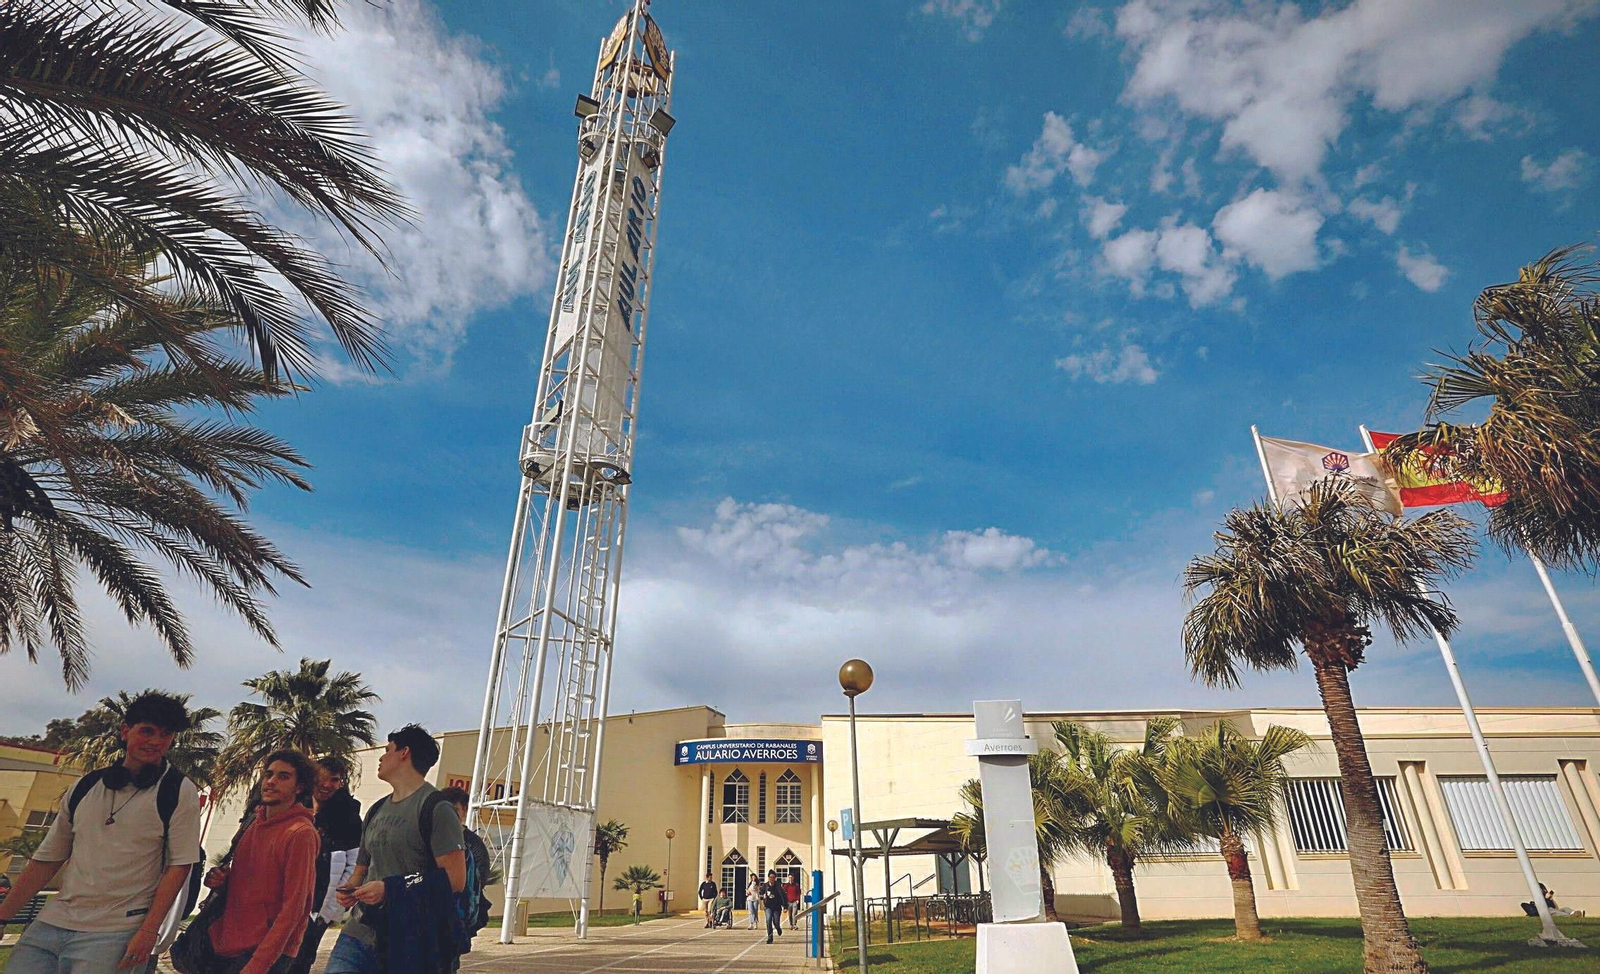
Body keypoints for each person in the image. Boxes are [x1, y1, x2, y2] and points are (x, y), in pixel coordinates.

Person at [0, 691, 201, 973]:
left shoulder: (178, 791)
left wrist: (149, 931)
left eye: (165, 735)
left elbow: (179, 866)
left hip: (117, 932)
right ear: (125, 731)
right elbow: (48, 858)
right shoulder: (85, 787)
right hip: (52, 922)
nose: (156, 741)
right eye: (147, 731)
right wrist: (3, 916)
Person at [326, 725, 467, 974]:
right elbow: (362, 867)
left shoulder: (437, 808)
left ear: (405, 753)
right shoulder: (376, 809)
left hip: (409, 940)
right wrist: (351, 888)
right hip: (359, 932)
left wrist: (389, 889)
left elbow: (455, 880)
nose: (381, 757)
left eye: (388, 749)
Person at [203, 750, 321, 974]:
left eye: (283, 776)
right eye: (269, 774)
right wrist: (221, 881)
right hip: (226, 944)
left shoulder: (301, 833)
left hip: (265, 953)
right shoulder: (252, 824)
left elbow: (295, 908)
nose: (271, 781)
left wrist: (258, 966)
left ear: (299, 787)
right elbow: (248, 884)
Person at [288, 755, 363, 974]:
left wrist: (330, 911)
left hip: (316, 908)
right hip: (283, 899)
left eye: (334, 780)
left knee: (299, 962)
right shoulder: (293, 804)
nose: (327, 784)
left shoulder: (348, 814)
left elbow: (355, 864)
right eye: (322, 777)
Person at [439, 786, 492, 946]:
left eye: (454, 809)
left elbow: (479, 878)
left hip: (458, 915)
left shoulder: (472, 844)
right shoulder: (433, 838)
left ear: (464, 810)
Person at [761, 870, 786, 944]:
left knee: (776, 922)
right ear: (768, 877)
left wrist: (785, 906)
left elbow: (783, 896)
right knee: (768, 920)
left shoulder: (778, 886)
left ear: (775, 878)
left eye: (773, 877)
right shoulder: (765, 886)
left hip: (776, 907)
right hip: (768, 906)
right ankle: (770, 937)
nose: (771, 879)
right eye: (770, 877)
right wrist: (763, 896)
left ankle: (778, 928)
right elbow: (760, 893)